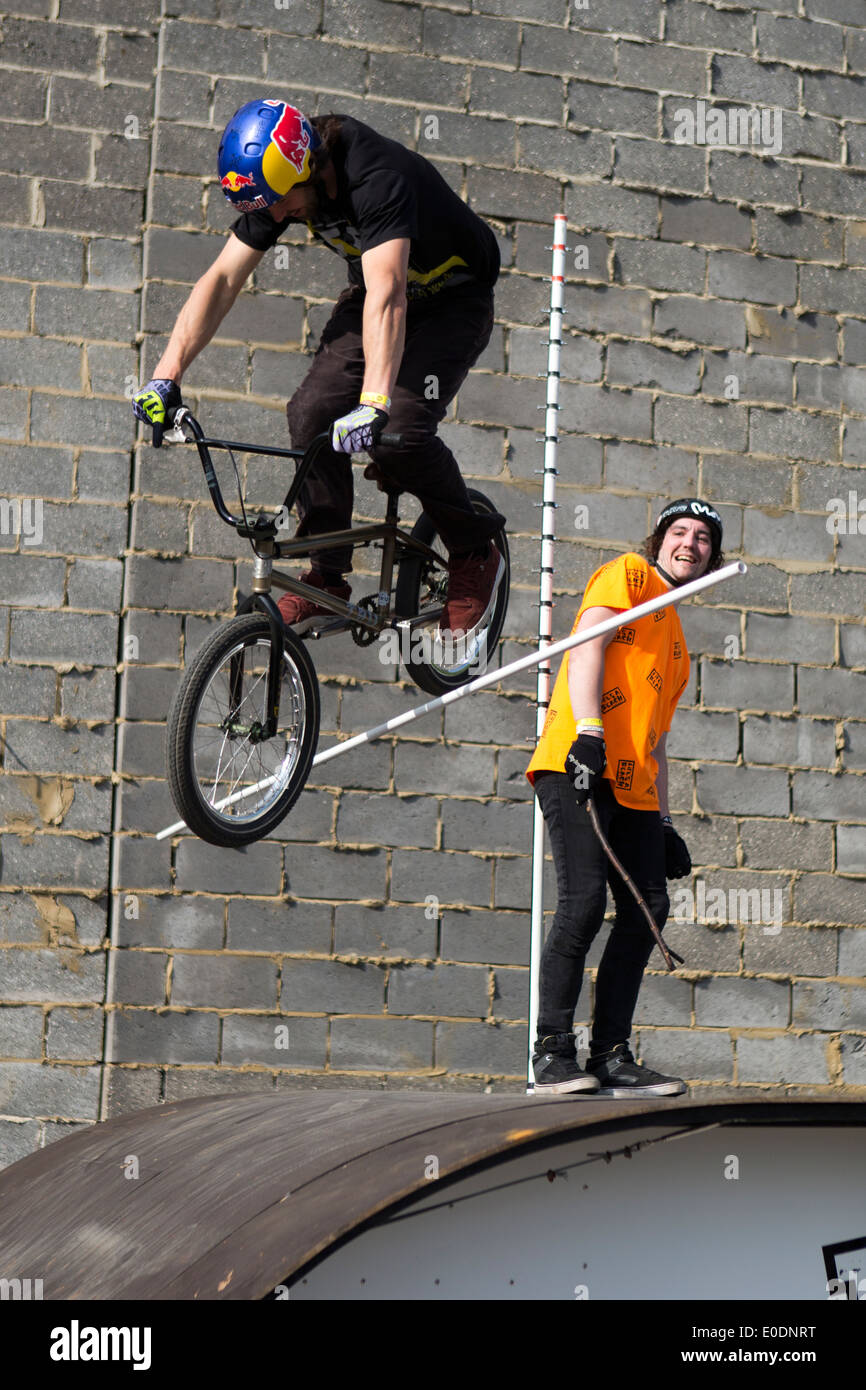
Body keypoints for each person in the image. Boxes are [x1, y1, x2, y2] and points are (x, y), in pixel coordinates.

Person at [132, 99, 505, 637]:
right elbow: (221, 280)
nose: (277, 216)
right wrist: (166, 377)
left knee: (398, 427)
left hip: (452, 299)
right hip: (377, 293)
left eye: (283, 203)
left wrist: (374, 403)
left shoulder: (377, 177)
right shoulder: (279, 184)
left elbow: (390, 293)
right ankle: (327, 581)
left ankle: (474, 548)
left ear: (309, 168)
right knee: (312, 415)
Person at [525, 499, 725, 1097]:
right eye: (679, 532)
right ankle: (552, 1053)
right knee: (583, 903)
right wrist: (588, 732)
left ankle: (610, 1053)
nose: (690, 543)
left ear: (714, 556)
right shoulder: (631, 578)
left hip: (634, 785)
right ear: (659, 541)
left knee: (648, 910)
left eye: (704, 538)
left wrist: (664, 822)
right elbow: (586, 647)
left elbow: (658, 742)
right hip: (577, 760)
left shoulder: (679, 646)